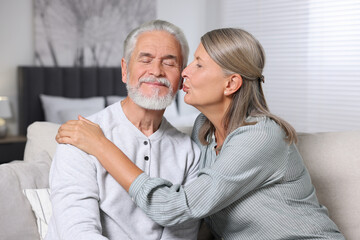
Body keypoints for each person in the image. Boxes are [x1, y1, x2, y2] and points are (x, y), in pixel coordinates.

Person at [56, 28, 345, 239]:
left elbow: (178, 207)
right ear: (125, 69)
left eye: (196, 64)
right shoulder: (202, 133)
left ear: (231, 84)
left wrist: (101, 146)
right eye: (145, 59)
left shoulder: (260, 136)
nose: (183, 72)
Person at [45, 20, 201, 240]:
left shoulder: (189, 152)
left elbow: (182, 234)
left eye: (169, 63)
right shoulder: (80, 138)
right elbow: (78, 233)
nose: (156, 71)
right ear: (125, 70)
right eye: (145, 59)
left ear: (181, 77)